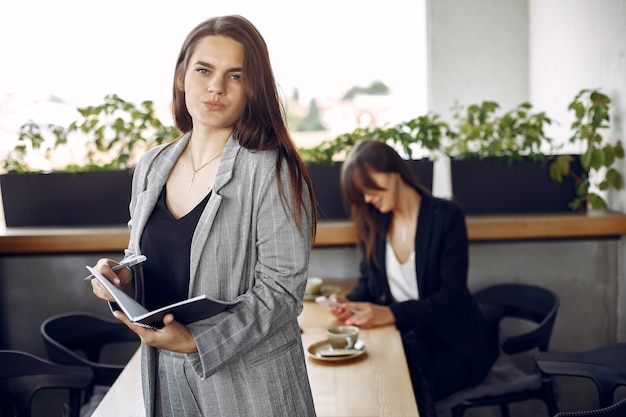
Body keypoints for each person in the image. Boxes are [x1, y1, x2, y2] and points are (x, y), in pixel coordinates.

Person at [89, 15, 317, 417]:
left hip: (250, 387)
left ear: (252, 89)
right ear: (182, 77)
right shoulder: (151, 165)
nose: (216, 86)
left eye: (235, 75)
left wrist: (198, 341)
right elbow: (147, 257)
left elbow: (282, 293)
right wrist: (122, 277)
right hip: (166, 376)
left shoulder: (270, 170)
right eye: (204, 70)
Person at [327, 140, 498, 417]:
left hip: (455, 343)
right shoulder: (376, 222)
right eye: (361, 194)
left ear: (392, 172)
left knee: (401, 387)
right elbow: (370, 284)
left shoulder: (446, 217)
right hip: (408, 339)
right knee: (374, 380)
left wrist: (390, 314)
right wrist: (349, 301)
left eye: (369, 188)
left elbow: (453, 296)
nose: (368, 199)